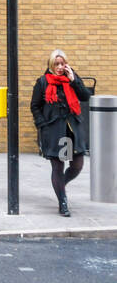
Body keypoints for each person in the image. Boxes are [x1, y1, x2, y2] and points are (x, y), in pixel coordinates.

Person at [30, 49, 91, 217]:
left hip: (72, 129)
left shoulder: (72, 78)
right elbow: (35, 106)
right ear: (51, 65)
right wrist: (42, 125)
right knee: (58, 166)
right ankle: (62, 202)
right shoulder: (43, 82)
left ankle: (60, 185)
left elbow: (86, 96)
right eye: (56, 64)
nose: (59, 67)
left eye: (62, 63)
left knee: (77, 165)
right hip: (54, 130)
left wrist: (74, 81)